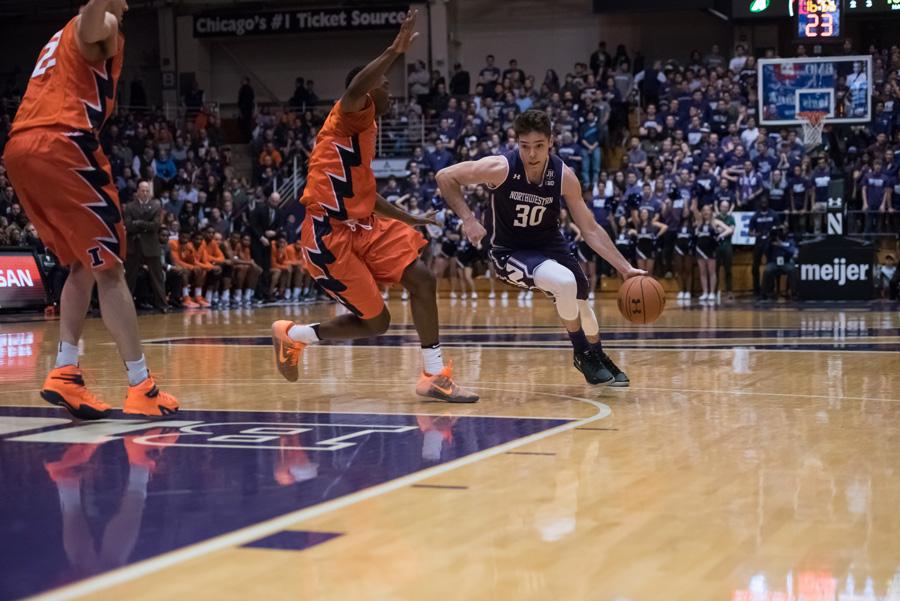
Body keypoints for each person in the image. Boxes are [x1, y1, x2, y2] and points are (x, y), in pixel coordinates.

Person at [270, 11, 478, 403]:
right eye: (384, 85)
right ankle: (293, 335)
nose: (389, 90)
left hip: (360, 224)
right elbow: (357, 88)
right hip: (327, 236)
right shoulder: (346, 116)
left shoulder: (367, 128)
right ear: (365, 92)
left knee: (422, 279)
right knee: (376, 323)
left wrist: (408, 216)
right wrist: (393, 50)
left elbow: (366, 197)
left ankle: (434, 374)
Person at [2, 0, 178, 419]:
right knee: (110, 269)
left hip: (20, 149)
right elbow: (92, 25)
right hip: (62, 143)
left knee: (81, 265)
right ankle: (141, 386)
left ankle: (65, 372)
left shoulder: (59, 36)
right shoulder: (101, 22)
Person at [436, 109, 645, 387]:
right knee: (565, 282)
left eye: (539, 146)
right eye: (525, 147)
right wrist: (468, 218)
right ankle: (582, 353)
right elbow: (444, 176)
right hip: (509, 251)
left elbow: (590, 228)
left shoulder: (563, 175)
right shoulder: (501, 167)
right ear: (516, 143)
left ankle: (597, 353)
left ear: (551, 143)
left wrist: (625, 267)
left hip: (548, 244)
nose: (532, 154)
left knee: (581, 296)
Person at [124, 181, 167, 311]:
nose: (145, 193)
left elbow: (155, 226)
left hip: (151, 246)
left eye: (147, 191)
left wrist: (138, 223)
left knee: (157, 277)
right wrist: (144, 225)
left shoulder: (156, 206)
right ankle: (125, 306)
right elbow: (129, 226)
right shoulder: (129, 207)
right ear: (137, 192)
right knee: (129, 278)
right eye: (142, 190)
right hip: (134, 245)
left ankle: (162, 304)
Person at [692, 203, 733, 303]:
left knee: (712, 272)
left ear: (711, 212)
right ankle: (705, 292)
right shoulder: (699, 222)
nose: (706, 212)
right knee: (702, 272)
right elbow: (693, 210)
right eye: (704, 210)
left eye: (708, 210)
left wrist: (720, 236)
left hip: (711, 249)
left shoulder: (715, 222)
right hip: (700, 249)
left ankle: (711, 293)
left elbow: (729, 229)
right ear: (702, 212)